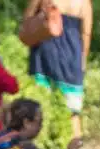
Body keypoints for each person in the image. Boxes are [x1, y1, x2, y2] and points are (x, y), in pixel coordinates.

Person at [28, 0, 93, 139]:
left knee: (40, 107)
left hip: (44, 53)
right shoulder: (84, 3)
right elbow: (86, 35)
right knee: (73, 113)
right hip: (72, 58)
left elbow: (27, 21)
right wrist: (83, 61)